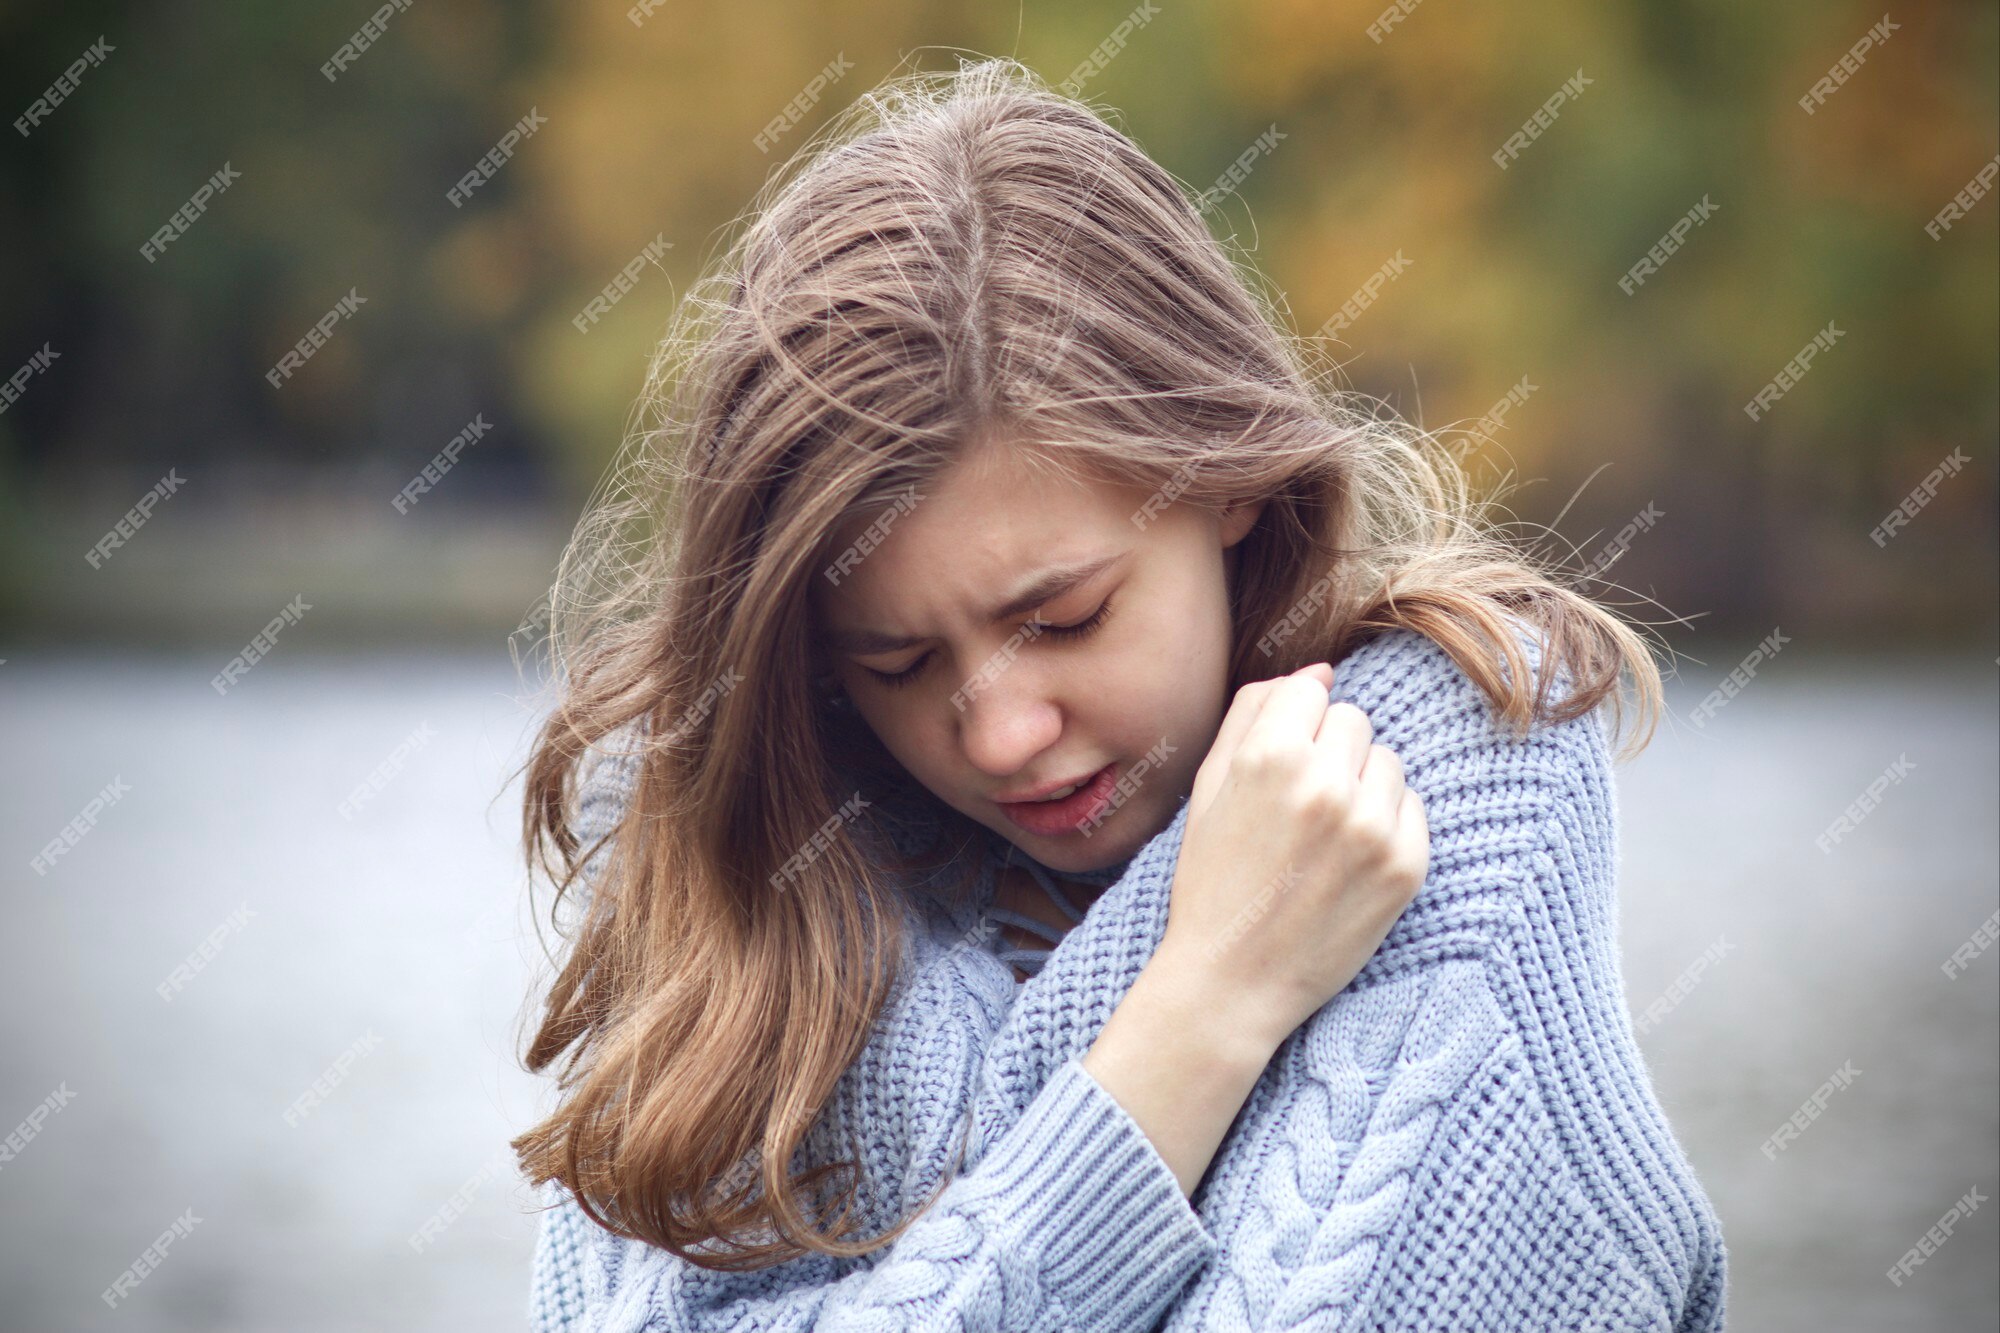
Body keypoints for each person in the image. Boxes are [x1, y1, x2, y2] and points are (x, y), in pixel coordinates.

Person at [514, 56, 1726, 1332]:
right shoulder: (737, 878)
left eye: (1062, 617)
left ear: (1224, 481)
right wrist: (1206, 1003)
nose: (1001, 735)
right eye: (894, 664)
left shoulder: (1445, 772)